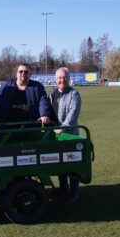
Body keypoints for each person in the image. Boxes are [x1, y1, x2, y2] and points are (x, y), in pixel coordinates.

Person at [48, 67, 82, 202]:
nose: (62, 80)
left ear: (68, 78)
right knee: (60, 163)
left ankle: (74, 192)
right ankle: (63, 188)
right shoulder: (52, 93)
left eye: (64, 77)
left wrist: (62, 128)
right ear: (56, 79)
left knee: (72, 164)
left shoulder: (74, 94)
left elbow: (73, 114)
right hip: (55, 136)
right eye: (59, 78)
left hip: (69, 136)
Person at [0, 63, 51, 128]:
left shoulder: (37, 87)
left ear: (30, 74)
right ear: (17, 73)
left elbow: (43, 102)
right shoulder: (6, 86)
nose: (23, 73)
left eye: (26, 72)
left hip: (31, 128)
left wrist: (44, 114)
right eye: (21, 71)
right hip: (8, 128)